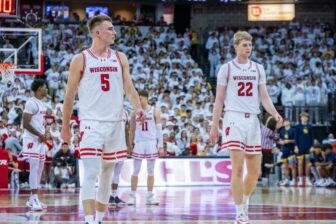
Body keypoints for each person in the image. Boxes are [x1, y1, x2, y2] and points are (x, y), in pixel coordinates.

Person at [61, 15, 144, 224]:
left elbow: (129, 87)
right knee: (90, 172)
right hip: (91, 123)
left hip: (116, 123)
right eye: (110, 29)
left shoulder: (120, 57)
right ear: (98, 33)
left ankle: (98, 219)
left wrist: (138, 107)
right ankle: (88, 220)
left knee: (107, 174)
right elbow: (69, 96)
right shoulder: (81, 59)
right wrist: (65, 127)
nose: (114, 32)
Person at [209, 31, 282, 224]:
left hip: (253, 121)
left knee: (255, 171)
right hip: (234, 119)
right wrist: (215, 125)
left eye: (250, 45)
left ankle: (244, 199)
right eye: (244, 45)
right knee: (238, 168)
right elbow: (219, 100)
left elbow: (264, 97)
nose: (248, 48)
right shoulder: (226, 68)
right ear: (236, 46)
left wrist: (274, 113)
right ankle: (240, 212)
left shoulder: (258, 68)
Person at [128, 90, 164, 206]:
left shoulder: (155, 111)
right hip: (139, 142)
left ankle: (150, 197)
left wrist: (160, 146)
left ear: (146, 98)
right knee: (135, 171)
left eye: (141, 99)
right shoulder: (134, 112)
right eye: (138, 99)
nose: (139, 101)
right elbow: (131, 130)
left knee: (151, 171)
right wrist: (130, 144)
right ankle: (132, 196)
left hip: (150, 142)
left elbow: (159, 130)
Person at [22, 79, 48, 210]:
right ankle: (34, 197)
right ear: (39, 89)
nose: (47, 90)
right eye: (45, 87)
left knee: (40, 168)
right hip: (31, 140)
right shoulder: (30, 103)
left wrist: (45, 132)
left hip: (40, 139)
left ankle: (33, 199)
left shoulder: (42, 104)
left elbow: (41, 122)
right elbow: (25, 124)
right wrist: (39, 134)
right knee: (34, 167)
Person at [108, 109, 130, 207]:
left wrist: (128, 144)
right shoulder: (108, 109)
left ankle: (114, 196)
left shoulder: (125, 112)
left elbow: (126, 129)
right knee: (108, 173)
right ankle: (107, 196)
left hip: (121, 145)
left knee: (117, 173)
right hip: (110, 145)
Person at [294, 112, 314, 186]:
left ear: (307, 118)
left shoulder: (310, 127)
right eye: (303, 117)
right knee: (300, 163)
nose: (304, 118)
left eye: (306, 117)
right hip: (300, 147)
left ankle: (307, 179)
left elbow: (312, 137)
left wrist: (312, 146)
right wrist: (296, 146)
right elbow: (295, 138)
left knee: (308, 163)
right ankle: (300, 179)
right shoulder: (297, 127)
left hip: (308, 147)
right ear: (301, 118)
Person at [278, 119, 297, 186]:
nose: (286, 122)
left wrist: (289, 141)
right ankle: (287, 180)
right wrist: (281, 142)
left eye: (287, 121)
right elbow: (279, 140)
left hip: (291, 150)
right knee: (285, 166)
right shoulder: (282, 131)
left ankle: (294, 180)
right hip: (284, 150)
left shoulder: (293, 130)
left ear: (289, 122)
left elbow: (295, 140)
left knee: (292, 166)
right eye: (284, 122)